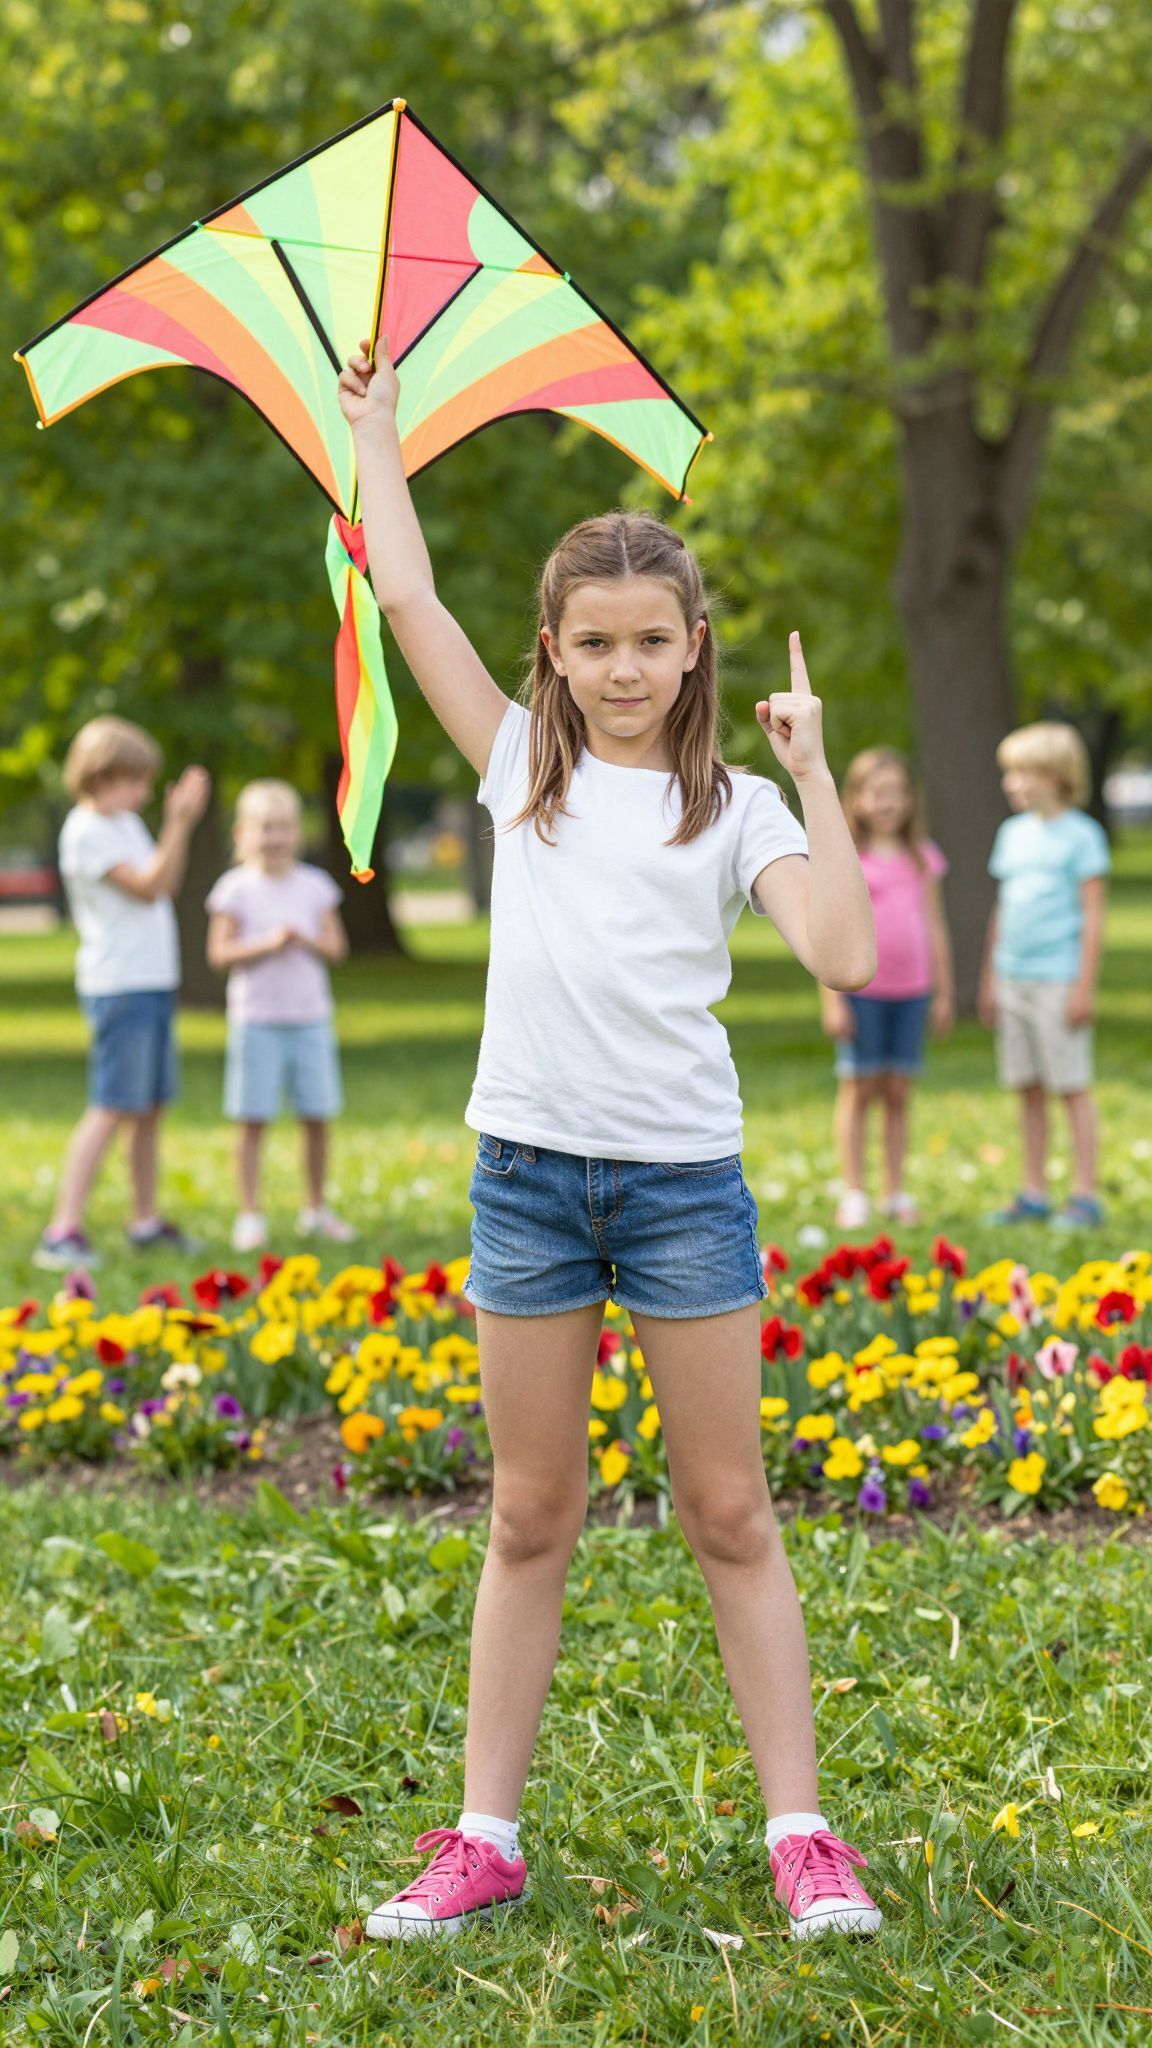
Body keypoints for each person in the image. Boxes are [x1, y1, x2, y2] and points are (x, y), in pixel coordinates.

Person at [338, 335, 881, 1944]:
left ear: (699, 646)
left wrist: (816, 764)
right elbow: (409, 601)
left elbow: (844, 954)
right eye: (597, 642)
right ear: (556, 653)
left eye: (654, 640)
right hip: (526, 1178)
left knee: (729, 1509)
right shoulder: (518, 767)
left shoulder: (743, 808)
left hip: (679, 1193)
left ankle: (804, 1834)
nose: (628, 666)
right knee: (530, 1511)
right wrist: (378, 436)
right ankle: (483, 1837)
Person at [34, 716, 210, 1271]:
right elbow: (148, 886)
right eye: (133, 780)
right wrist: (180, 822)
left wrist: (171, 831)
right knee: (112, 1106)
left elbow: (168, 881)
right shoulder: (87, 831)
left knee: (149, 1109)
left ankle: (144, 1219)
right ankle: (61, 1229)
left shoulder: (126, 824)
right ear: (100, 774)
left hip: (152, 981)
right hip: (120, 986)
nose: (142, 791)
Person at [206, 780, 354, 1253]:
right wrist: (267, 944)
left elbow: (337, 948)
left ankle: (316, 1208)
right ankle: (250, 1214)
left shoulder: (315, 886)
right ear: (242, 833)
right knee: (252, 1118)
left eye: (284, 827)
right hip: (257, 1021)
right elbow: (219, 953)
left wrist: (304, 940)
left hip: (310, 1018)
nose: (275, 837)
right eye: (265, 828)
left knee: (317, 1115)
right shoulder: (235, 889)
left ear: (298, 832)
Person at [979, 722, 1110, 1228]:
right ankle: (1033, 1191)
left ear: (1056, 776)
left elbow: (1094, 918)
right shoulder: (1011, 834)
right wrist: (990, 979)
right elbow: (1002, 911)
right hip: (1014, 979)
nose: (1011, 783)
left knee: (1070, 1086)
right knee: (1027, 1087)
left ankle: (1084, 1194)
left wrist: (1083, 987)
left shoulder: (1083, 836)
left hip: (1059, 980)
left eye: (1021, 773)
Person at [821, 747, 954, 1230]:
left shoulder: (924, 858)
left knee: (898, 1091)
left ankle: (895, 1191)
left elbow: (935, 926)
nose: (888, 802)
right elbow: (830, 930)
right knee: (859, 1089)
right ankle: (855, 1191)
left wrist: (943, 992)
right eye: (877, 792)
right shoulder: (849, 858)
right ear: (856, 799)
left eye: (897, 792)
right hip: (862, 993)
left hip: (913, 992)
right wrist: (832, 997)